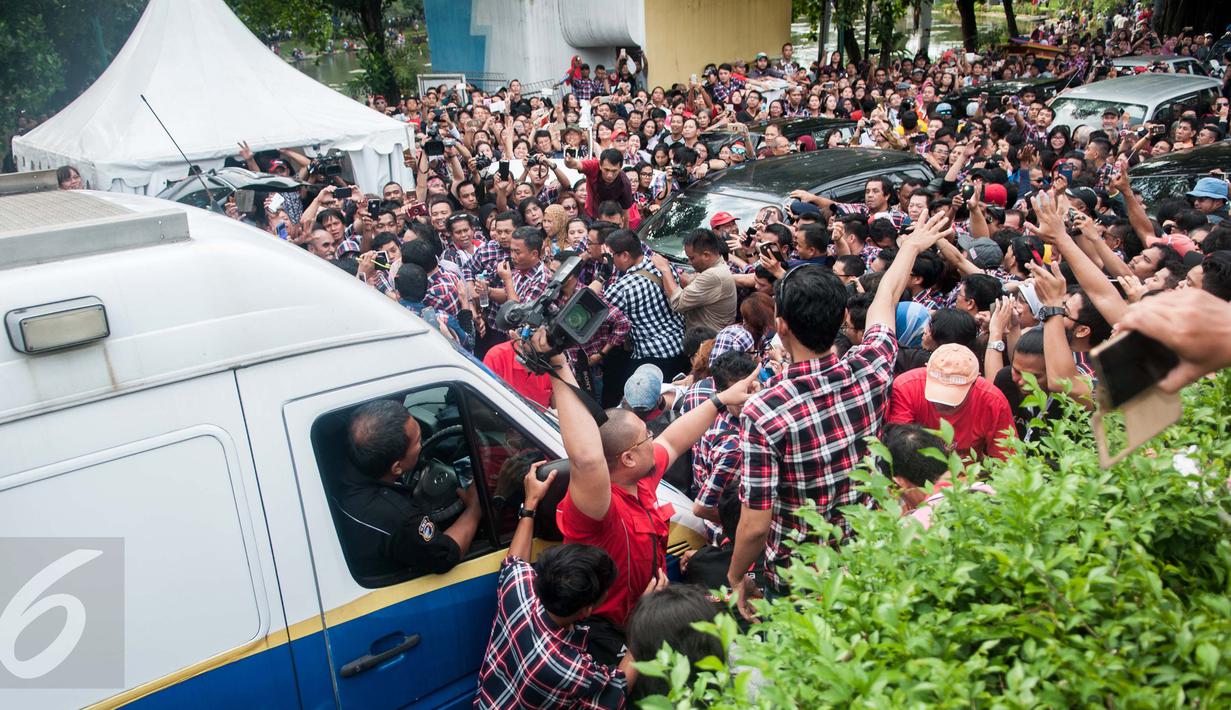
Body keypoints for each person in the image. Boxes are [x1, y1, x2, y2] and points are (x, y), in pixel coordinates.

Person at [727, 212, 954, 617]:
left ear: (781, 325)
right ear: (842, 318)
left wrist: (737, 576)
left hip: (800, 578)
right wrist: (911, 248)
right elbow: (886, 298)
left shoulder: (764, 410)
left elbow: (756, 524)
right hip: (864, 552)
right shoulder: (871, 365)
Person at [524, 327, 756, 663]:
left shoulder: (640, 478)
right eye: (646, 435)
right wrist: (558, 364)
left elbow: (674, 440)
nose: (654, 437)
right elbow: (587, 459)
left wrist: (722, 400)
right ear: (628, 458)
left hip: (645, 617)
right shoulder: (596, 510)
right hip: (611, 636)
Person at [474, 465, 628, 710]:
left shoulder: (519, 592)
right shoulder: (569, 668)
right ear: (587, 610)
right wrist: (643, 628)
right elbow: (615, 693)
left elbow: (514, 561)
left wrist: (530, 503)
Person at [335, 400, 481, 580]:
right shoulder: (400, 518)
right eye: (419, 441)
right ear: (397, 468)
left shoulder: (341, 463)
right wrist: (474, 508)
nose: (422, 444)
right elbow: (445, 555)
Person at [887, 344, 1017, 460]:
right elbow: (899, 449)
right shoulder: (906, 387)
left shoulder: (993, 401)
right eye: (938, 391)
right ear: (927, 371)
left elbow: (1007, 462)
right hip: (917, 470)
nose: (943, 403)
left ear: (974, 382)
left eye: (952, 394)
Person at [603, 229, 687, 386]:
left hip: (651, 356)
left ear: (625, 255)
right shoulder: (664, 266)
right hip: (681, 345)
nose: (610, 260)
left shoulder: (622, 288)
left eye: (612, 255)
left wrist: (601, 276)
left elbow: (599, 314)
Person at [651, 228, 738, 332]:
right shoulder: (717, 266)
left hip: (709, 339)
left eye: (692, 258)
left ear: (706, 255)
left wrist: (665, 270)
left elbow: (677, 302)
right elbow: (691, 282)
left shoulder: (713, 275)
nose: (689, 262)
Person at [566, 149, 635, 224]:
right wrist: (569, 161)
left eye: (614, 171)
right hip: (590, 214)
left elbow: (625, 212)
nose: (610, 175)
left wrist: (625, 230)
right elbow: (576, 164)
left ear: (620, 168)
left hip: (610, 220)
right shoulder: (593, 166)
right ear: (600, 165)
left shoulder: (625, 183)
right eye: (606, 170)